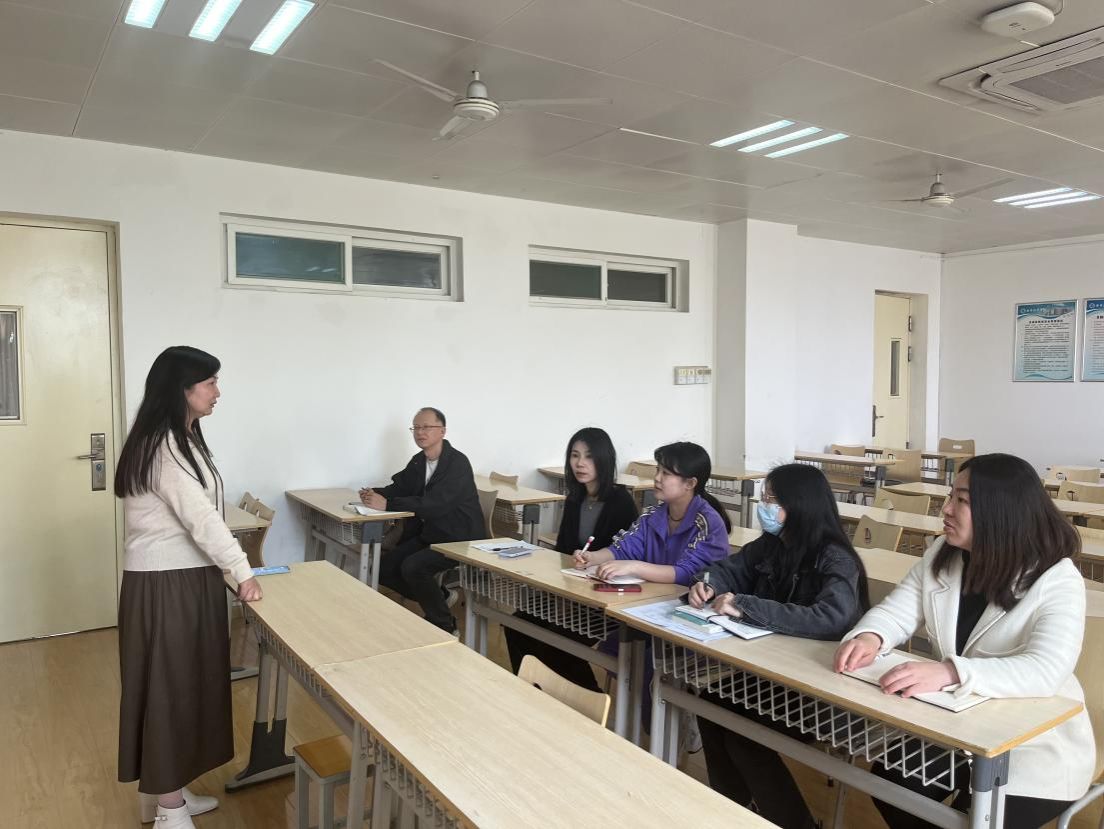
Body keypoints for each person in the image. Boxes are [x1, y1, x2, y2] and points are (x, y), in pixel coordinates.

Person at [834, 453, 1094, 829]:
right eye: (949, 496)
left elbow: (1046, 670)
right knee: (891, 787)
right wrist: (870, 636)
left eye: (962, 500)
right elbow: (896, 612)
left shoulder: (1057, 578)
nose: (946, 509)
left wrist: (950, 672)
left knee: (982, 818)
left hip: (1034, 744)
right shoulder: (943, 555)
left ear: (999, 511)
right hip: (959, 726)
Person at [114, 346, 262, 829]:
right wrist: (242, 569)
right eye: (210, 382)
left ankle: (166, 793)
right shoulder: (165, 445)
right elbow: (202, 517)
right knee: (169, 690)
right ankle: (169, 810)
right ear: (183, 388)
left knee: (181, 687)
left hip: (183, 577)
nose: (218, 391)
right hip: (167, 583)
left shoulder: (181, 437)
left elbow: (202, 512)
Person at [687, 463, 869, 829]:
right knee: (710, 705)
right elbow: (729, 568)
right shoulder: (773, 544)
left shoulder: (835, 557)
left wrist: (747, 606)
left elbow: (831, 618)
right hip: (774, 674)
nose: (764, 506)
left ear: (799, 504)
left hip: (820, 687)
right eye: (765, 497)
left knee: (745, 737)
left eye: (772, 499)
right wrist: (708, 582)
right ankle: (735, 811)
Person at [503, 427, 638, 688]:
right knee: (517, 626)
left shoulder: (621, 502)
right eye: (575, 456)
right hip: (569, 588)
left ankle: (590, 699)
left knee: (556, 645)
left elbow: (626, 554)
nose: (580, 463)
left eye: (588, 456)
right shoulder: (575, 498)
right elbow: (562, 550)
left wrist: (591, 561)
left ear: (603, 459)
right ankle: (530, 691)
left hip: (602, 598)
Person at [362, 407, 485, 634]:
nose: (420, 432)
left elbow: (435, 504)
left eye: (426, 427)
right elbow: (399, 488)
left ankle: (445, 625)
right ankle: (441, 597)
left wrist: (387, 505)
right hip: (432, 534)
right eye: (416, 427)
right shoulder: (419, 461)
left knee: (413, 567)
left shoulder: (457, 463)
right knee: (382, 568)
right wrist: (372, 494)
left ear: (442, 431)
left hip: (460, 538)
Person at [575, 441, 730, 584]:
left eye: (666, 473)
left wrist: (635, 567)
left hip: (689, 601)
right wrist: (593, 557)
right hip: (656, 597)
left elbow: (689, 573)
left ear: (690, 483)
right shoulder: (652, 516)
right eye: (658, 470)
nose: (657, 478)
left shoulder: (708, 523)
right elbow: (623, 549)